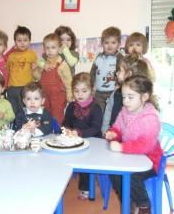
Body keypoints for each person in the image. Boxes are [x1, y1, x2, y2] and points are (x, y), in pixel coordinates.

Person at [105, 75, 163, 214]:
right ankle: (128, 201)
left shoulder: (150, 118)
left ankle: (144, 206)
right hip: (129, 157)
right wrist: (113, 134)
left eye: (130, 97)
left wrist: (122, 147)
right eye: (124, 97)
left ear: (144, 97)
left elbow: (145, 146)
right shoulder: (125, 111)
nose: (125, 101)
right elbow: (117, 128)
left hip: (150, 161)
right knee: (115, 173)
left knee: (131, 175)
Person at [62, 72, 103, 200]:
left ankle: (85, 187)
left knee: (86, 161)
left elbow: (96, 128)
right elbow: (66, 123)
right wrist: (66, 130)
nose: (80, 94)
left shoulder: (96, 107)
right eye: (76, 91)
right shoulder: (71, 106)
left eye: (84, 91)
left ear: (92, 90)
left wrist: (79, 133)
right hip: (75, 140)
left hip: (93, 142)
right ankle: (62, 182)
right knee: (62, 157)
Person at [101, 54, 151, 133]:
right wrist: (104, 131)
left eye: (120, 70)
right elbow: (107, 114)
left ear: (129, 74)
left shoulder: (142, 99)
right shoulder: (115, 94)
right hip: (114, 137)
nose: (116, 73)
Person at [34, 33, 73, 125]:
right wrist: (35, 69)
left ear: (59, 49)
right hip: (44, 95)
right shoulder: (43, 64)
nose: (50, 51)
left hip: (58, 96)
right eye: (47, 48)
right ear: (44, 49)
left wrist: (69, 94)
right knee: (45, 113)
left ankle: (57, 131)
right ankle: (47, 129)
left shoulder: (62, 65)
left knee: (57, 115)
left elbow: (68, 82)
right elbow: (38, 77)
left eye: (53, 47)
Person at [90, 26, 124, 112]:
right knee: (99, 112)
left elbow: (122, 73)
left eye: (113, 42)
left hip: (113, 92)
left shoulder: (120, 58)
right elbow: (93, 72)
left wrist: (119, 86)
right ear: (102, 44)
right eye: (106, 42)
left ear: (119, 44)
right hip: (99, 93)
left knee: (112, 113)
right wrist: (91, 86)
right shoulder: (99, 57)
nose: (109, 45)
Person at [6, 26, 37, 115]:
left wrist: (35, 68)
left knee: (25, 110)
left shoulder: (31, 54)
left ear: (29, 41)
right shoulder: (11, 56)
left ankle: (25, 126)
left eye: (25, 40)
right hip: (12, 88)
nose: (22, 43)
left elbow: (37, 69)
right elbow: (8, 69)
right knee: (13, 110)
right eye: (19, 40)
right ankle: (15, 128)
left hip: (26, 87)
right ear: (15, 41)